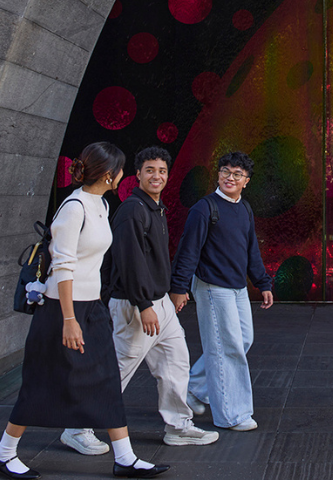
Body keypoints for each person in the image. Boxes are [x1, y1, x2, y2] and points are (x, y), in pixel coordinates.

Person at [0, 142, 170, 480]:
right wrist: (69, 320)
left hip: (92, 308)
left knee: (107, 380)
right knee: (42, 382)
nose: (121, 176)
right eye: (119, 170)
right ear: (107, 174)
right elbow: (63, 267)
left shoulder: (100, 204)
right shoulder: (74, 208)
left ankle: (125, 457)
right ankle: (4, 452)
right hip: (61, 312)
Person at [63, 147, 218, 450]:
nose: (156, 176)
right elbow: (129, 261)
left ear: (168, 175)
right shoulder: (133, 210)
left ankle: (178, 427)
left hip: (158, 303)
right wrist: (145, 305)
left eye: (161, 171)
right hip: (135, 305)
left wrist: (172, 292)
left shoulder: (155, 208)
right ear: (137, 174)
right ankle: (77, 427)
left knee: (176, 362)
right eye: (149, 170)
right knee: (118, 368)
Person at [168, 151, 273, 432]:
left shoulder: (244, 208)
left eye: (237, 174)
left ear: (246, 181)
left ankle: (193, 389)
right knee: (226, 348)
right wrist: (179, 287)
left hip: (237, 288)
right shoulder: (204, 208)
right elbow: (187, 252)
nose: (230, 177)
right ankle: (232, 414)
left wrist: (262, 282)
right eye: (225, 171)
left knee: (243, 341)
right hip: (213, 288)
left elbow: (251, 249)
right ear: (218, 174)